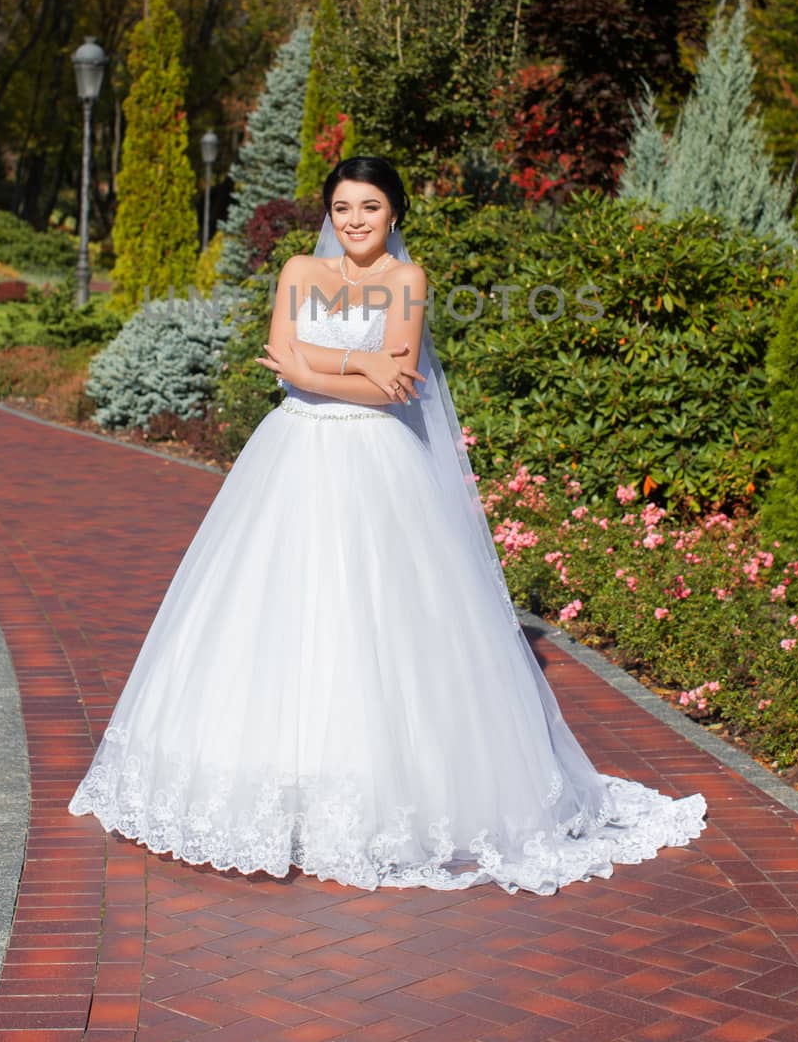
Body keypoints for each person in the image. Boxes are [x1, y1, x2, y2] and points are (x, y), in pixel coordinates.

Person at [68, 156, 706, 893]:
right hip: (291, 455)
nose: (354, 221)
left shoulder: (408, 281)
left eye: (369, 207)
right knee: (272, 613)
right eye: (342, 207)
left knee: (379, 618)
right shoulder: (299, 273)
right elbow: (284, 370)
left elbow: (392, 387)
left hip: (377, 462)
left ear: (393, 213)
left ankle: (391, 795)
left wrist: (327, 364)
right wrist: (356, 362)